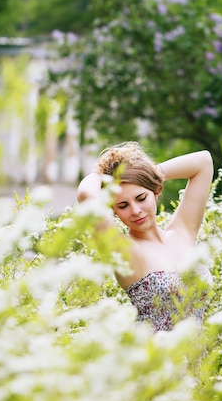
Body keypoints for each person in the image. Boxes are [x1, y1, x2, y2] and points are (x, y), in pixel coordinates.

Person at [77, 142, 214, 332]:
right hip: (155, 359)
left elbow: (203, 162)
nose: (135, 211)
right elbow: (86, 195)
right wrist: (99, 173)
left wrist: (144, 174)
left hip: (198, 359)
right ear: (114, 211)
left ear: (156, 192)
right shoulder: (125, 251)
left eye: (141, 198)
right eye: (123, 205)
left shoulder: (182, 232)